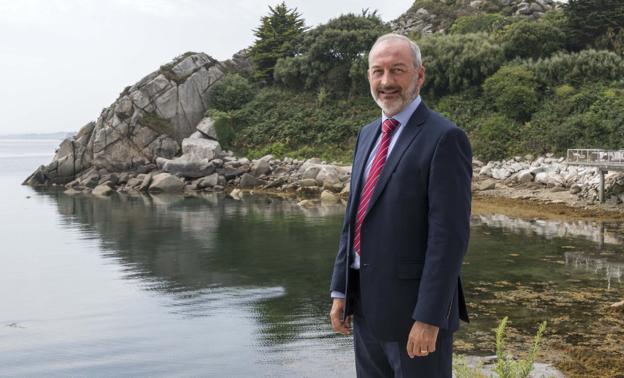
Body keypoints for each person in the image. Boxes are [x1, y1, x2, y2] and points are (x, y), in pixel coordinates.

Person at [329, 33, 472, 377]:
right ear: (368, 77)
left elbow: (448, 238)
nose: (386, 81)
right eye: (377, 72)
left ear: (419, 75)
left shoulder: (444, 138)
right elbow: (355, 220)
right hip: (365, 309)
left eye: (397, 70)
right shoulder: (366, 135)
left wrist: (429, 317)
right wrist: (340, 290)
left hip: (415, 317)